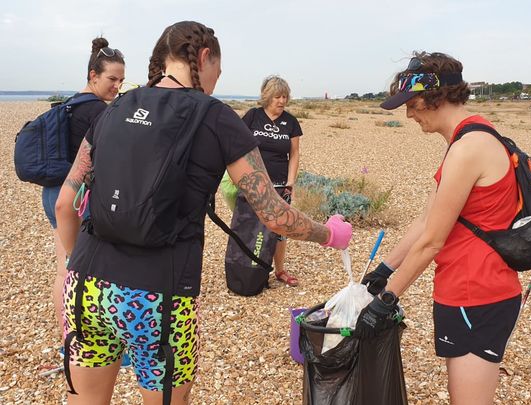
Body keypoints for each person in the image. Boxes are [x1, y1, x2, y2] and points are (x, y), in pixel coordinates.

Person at [55, 21, 352, 405]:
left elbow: (66, 202)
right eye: (218, 71)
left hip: (85, 287)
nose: (214, 81)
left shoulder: (114, 109)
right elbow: (274, 215)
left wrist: (68, 262)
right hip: (157, 296)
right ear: (205, 57)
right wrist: (329, 234)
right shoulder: (216, 116)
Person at [357, 52, 522, 404]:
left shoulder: (469, 148)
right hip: (464, 291)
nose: (409, 114)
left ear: (436, 97)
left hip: (478, 295)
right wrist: (384, 270)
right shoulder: (464, 141)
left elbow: (433, 241)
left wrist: (387, 300)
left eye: (413, 103)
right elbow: (425, 220)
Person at [44, 37, 125, 340]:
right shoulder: (99, 113)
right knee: (84, 270)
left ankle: (67, 339)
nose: (117, 86)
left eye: (121, 80)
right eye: (111, 79)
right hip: (77, 199)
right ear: (93, 76)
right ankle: (86, 339)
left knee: (63, 268)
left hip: (54, 193)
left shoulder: (69, 104)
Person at [242, 76, 302, 286]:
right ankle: (247, 267)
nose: (282, 101)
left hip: (279, 184)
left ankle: (279, 270)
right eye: (277, 96)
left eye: (285, 96)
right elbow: (239, 147)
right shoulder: (252, 116)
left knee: (280, 229)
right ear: (267, 96)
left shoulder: (291, 122)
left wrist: (290, 183)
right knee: (251, 226)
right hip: (253, 183)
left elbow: (294, 154)